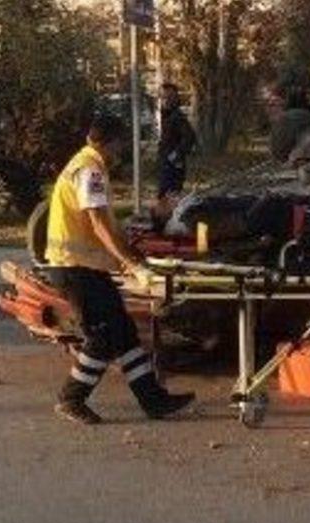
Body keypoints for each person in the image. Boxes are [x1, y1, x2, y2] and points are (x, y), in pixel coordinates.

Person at [44, 115, 194, 424]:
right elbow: (98, 223)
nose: (123, 150)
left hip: (83, 267)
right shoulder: (90, 170)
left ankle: (153, 400)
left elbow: (104, 223)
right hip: (76, 268)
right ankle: (71, 398)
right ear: (111, 142)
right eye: (122, 143)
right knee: (102, 336)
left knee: (124, 333)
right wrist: (132, 264)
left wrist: (130, 244)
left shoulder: (85, 164)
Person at [157, 83, 197, 198]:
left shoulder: (177, 116)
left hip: (173, 167)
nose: (166, 101)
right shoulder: (166, 116)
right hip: (166, 164)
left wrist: (175, 155)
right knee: (165, 197)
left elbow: (190, 137)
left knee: (168, 198)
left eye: (170, 97)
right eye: (163, 97)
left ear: (176, 98)